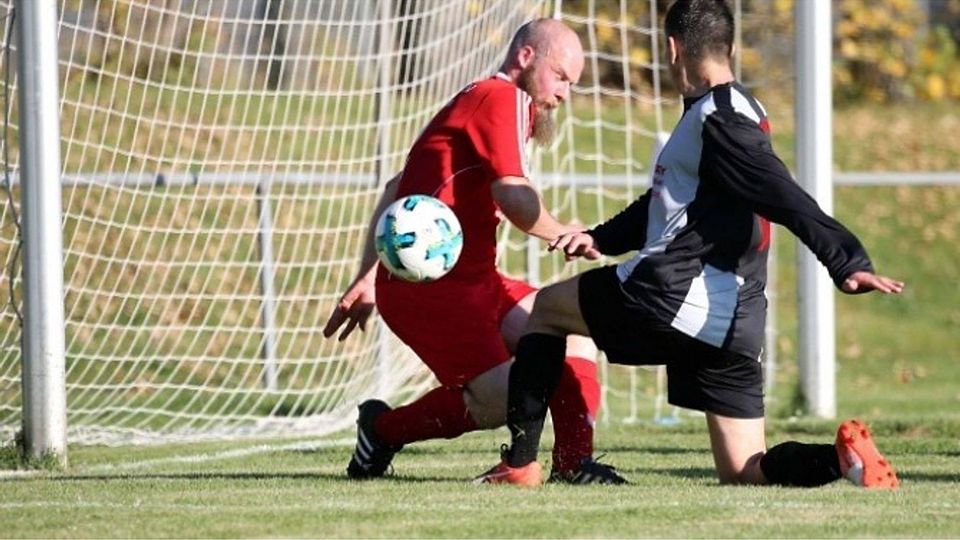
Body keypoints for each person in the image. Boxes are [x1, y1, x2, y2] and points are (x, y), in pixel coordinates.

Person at [476, 0, 905, 488]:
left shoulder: (718, 116)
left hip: (673, 295)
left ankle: (521, 464)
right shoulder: (737, 109)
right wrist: (598, 237)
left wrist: (844, 258)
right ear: (731, 48)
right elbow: (665, 203)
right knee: (745, 471)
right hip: (737, 319)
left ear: (672, 48)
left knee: (548, 309)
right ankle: (842, 463)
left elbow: (778, 190)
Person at [323, 18, 626, 484]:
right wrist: (559, 231)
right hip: (431, 293)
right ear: (526, 57)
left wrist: (367, 275)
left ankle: (574, 465)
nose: (565, 93)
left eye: (573, 83)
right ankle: (381, 430)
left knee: (571, 332)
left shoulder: (500, 105)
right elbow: (514, 196)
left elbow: (394, 188)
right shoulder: (501, 96)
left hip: (479, 282)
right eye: (561, 76)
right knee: (501, 398)